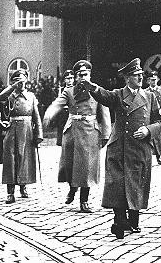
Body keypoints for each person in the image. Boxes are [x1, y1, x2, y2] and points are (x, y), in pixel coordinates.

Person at [81, 58, 161, 239]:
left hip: (139, 148)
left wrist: (148, 130)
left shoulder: (150, 97)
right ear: (127, 78)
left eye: (141, 74)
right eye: (136, 75)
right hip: (119, 146)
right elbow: (104, 95)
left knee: (136, 183)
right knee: (117, 184)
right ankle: (119, 220)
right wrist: (91, 86)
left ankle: (133, 220)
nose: (140, 77)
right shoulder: (118, 94)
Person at [43, 61, 111, 213]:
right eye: (80, 75)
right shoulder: (70, 91)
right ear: (76, 77)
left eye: (85, 74)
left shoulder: (96, 90)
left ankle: (84, 200)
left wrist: (106, 133)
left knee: (87, 167)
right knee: (70, 165)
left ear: (90, 75)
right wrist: (49, 115)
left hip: (90, 132)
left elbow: (104, 114)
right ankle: (72, 188)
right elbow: (57, 104)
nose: (83, 78)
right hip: (73, 131)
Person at [0, 69, 42, 204]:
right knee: (11, 159)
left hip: (27, 130)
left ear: (27, 80)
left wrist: (39, 134)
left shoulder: (31, 96)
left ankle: (23, 186)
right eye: (17, 80)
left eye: (22, 80)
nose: (20, 83)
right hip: (12, 128)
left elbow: (36, 116)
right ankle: (10, 192)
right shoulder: (9, 95)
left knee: (25, 158)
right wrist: (12, 87)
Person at [146, 71, 161, 165]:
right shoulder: (145, 92)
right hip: (149, 118)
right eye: (152, 80)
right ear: (148, 81)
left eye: (155, 80)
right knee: (150, 139)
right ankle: (149, 157)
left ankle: (159, 156)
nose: (154, 81)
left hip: (159, 118)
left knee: (159, 138)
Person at [55, 69, 75, 147]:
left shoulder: (75, 90)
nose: (70, 80)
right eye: (68, 78)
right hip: (62, 114)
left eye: (71, 78)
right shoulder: (61, 90)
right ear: (64, 80)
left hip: (71, 113)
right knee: (62, 134)